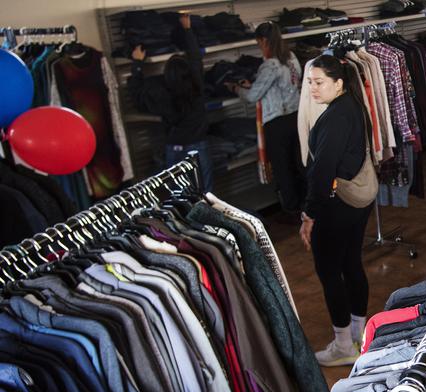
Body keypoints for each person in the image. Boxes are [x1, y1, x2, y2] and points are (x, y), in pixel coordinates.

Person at [299, 55, 375, 367]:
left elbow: (322, 171)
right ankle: (359, 335)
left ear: (338, 83)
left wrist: (309, 215)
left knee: (330, 269)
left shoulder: (334, 117)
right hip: (357, 200)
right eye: (310, 82)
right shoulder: (353, 105)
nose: (313, 89)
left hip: (337, 203)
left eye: (319, 82)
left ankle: (344, 344)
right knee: (351, 263)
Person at [129, 13, 213, 193]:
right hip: (199, 146)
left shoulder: (162, 95)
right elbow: (196, 58)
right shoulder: (196, 85)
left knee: (178, 198)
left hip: (174, 148)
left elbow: (137, 95)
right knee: (206, 195)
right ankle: (208, 221)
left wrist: (136, 64)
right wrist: (188, 29)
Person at [227, 21, 304, 214]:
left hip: (276, 122)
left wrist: (236, 88)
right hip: (295, 117)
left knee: (282, 169)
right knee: (298, 164)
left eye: (258, 42)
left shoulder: (270, 65)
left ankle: (292, 210)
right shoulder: (292, 59)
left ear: (262, 40)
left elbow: (253, 96)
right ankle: (306, 206)